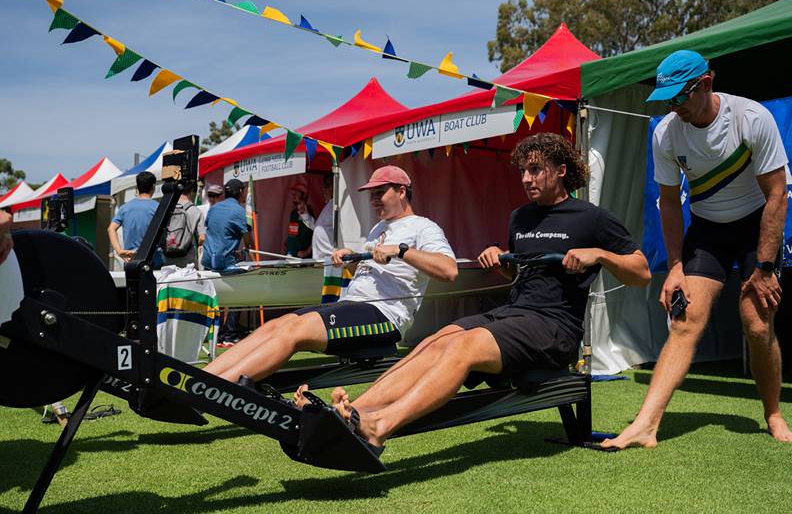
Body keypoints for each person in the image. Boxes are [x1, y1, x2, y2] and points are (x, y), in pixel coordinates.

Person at [324, 133, 650, 449]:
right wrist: (501, 260)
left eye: (535, 169)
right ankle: (351, 411)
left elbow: (642, 273)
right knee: (437, 339)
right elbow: (522, 272)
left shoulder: (592, 218)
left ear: (561, 170)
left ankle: (380, 426)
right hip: (513, 313)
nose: (525, 178)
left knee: (463, 347)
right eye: (523, 170)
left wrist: (600, 255)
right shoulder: (520, 218)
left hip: (554, 327)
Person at [603, 50, 791, 449]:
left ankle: (773, 413)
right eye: (667, 100)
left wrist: (766, 265)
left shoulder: (751, 118)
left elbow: (777, 195)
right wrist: (674, 267)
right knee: (685, 320)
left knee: (757, 324)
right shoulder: (665, 133)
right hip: (707, 232)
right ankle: (646, 425)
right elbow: (669, 203)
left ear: (705, 83)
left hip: (757, 227)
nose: (674, 108)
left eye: (680, 97)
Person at [204, 165, 458, 385]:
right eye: (372, 195)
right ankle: (202, 378)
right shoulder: (379, 228)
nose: (374, 200)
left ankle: (210, 390)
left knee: (293, 332)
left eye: (380, 193)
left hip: (385, 317)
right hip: (355, 305)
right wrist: (350, 259)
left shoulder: (424, 227)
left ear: (402, 191)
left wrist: (402, 251)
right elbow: (370, 274)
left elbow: (449, 270)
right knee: (275, 325)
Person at [202, 178, 251, 345]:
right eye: (244, 190)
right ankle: (230, 334)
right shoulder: (238, 211)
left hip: (208, 260)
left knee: (216, 297)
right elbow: (247, 238)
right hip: (224, 262)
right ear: (240, 192)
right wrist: (245, 248)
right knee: (238, 294)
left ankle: (217, 333)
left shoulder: (214, 208)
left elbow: (211, 229)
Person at [108, 171, 158, 263]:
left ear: (137, 187)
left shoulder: (124, 208)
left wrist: (119, 251)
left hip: (130, 259)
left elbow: (111, 229)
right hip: (152, 259)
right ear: (153, 187)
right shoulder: (158, 207)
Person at [161, 181, 206, 268]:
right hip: (187, 258)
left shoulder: (167, 207)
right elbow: (202, 238)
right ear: (191, 190)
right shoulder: (196, 211)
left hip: (167, 257)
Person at [285, 182, 315, 258]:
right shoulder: (293, 213)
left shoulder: (311, 213)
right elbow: (293, 232)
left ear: (303, 195)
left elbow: (317, 235)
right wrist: (288, 243)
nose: (293, 194)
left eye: (296, 192)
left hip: (304, 259)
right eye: (293, 192)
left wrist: (308, 251)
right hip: (291, 256)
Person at [312, 173, 335, 261]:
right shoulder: (329, 205)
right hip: (320, 259)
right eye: (324, 186)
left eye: (328, 185)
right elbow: (319, 228)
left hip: (329, 259)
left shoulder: (336, 205)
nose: (324, 189)